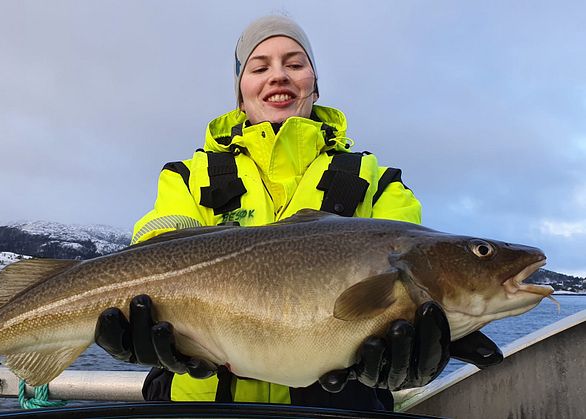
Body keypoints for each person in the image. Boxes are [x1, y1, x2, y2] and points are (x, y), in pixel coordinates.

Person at [94, 15, 503, 411]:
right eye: (259, 66)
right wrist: (135, 322)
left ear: (315, 85)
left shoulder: (376, 181)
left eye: (295, 63)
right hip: (201, 406)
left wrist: (414, 357)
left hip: (336, 408)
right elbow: (155, 245)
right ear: (240, 92)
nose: (279, 76)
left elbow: (410, 288)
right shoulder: (189, 176)